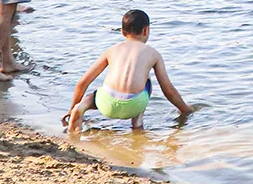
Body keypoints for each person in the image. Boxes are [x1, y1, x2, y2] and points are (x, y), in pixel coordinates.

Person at [62, 10, 194, 132]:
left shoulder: (112, 50)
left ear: (122, 32)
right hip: (134, 105)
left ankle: (80, 109)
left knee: (91, 96)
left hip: (106, 104)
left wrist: (72, 107)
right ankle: (137, 123)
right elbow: (168, 90)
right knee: (146, 80)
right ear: (146, 30)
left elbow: (83, 82)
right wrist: (185, 109)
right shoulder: (153, 54)